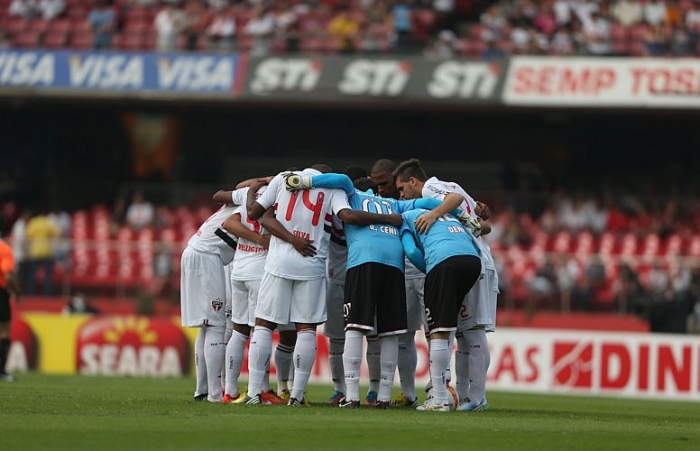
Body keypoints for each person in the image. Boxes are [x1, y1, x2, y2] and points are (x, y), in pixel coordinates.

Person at [285, 171, 470, 408]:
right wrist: (462, 216)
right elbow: (430, 203)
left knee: (354, 328)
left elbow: (341, 179)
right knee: (390, 333)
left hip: (363, 262)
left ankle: (351, 396)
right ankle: (383, 396)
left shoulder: (352, 196)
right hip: (394, 267)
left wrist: (305, 181)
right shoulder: (395, 203)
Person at [241, 165, 402, 406]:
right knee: (306, 329)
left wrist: (255, 189)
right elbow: (347, 216)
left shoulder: (284, 178)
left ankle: (254, 392)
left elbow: (256, 214)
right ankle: (296, 395)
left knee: (263, 324)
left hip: (278, 262)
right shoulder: (333, 189)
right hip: (312, 264)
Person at [393, 158, 497, 412]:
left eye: (401, 188)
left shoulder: (432, 189)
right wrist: (480, 213)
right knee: (464, 332)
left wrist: (432, 214)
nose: (401, 194)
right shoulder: (454, 186)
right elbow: (485, 224)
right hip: (473, 256)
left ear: (413, 181)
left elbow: (454, 201)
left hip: (475, 258)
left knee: (473, 331)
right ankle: (466, 395)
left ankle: (477, 396)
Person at [399, 206, 482, 411]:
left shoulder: (406, 218)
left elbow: (410, 250)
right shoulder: (447, 213)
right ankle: (456, 393)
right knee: (450, 325)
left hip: (444, 263)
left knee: (438, 330)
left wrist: (432, 270)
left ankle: (439, 399)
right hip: (473, 261)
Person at [217, 186, 286, 405]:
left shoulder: (250, 194)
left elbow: (228, 222)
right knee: (261, 330)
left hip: (239, 270)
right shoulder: (280, 196)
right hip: (260, 271)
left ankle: (230, 392)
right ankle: (258, 390)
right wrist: (260, 238)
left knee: (239, 331)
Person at [370, 159, 424, 408]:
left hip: (424, 270)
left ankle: (441, 392)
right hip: (399, 273)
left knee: (437, 334)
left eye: (384, 183)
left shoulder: (413, 200)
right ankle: (409, 394)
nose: (380, 189)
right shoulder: (375, 204)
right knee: (403, 337)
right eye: (376, 184)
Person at [180, 197, 239, 402]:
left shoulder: (236, 201)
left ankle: (202, 389)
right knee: (215, 325)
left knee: (206, 326)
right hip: (206, 257)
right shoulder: (250, 207)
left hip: (193, 251)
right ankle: (215, 393)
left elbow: (221, 194)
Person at [24, 209, 60, 296]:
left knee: (32, 274)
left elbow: (27, 235)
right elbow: (57, 233)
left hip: (35, 251)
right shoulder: (48, 222)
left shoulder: (33, 223)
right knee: (48, 275)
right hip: (47, 251)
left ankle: (31, 293)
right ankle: (48, 294)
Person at [0, 236, 21, 381]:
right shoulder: (4, 249)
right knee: (4, 332)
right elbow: (8, 276)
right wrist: (18, 292)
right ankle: (1, 371)